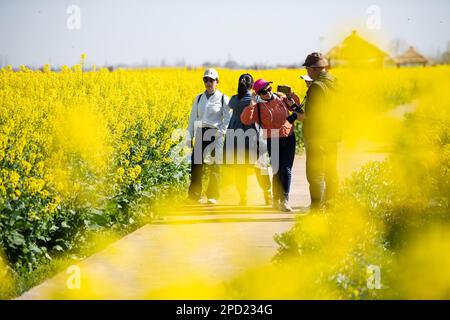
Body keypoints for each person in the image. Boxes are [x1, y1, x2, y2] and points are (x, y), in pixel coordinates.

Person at [240, 79, 303, 212]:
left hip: (289, 137)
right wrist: (251, 104)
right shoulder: (257, 107)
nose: (268, 93)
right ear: (258, 94)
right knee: (277, 171)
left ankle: (284, 200)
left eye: (268, 89)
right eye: (263, 92)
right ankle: (275, 199)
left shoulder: (281, 98)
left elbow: (297, 107)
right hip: (272, 139)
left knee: (286, 169)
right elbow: (245, 120)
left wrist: (291, 94)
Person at [225, 74, 271, 206]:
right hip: (253, 137)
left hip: (235, 137)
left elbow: (231, 106)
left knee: (240, 169)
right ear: (252, 85)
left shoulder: (234, 99)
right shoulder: (256, 99)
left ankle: (243, 198)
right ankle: (267, 194)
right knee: (260, 166)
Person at [187, 69, 231, 204]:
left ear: (217, 82)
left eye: (211, 80)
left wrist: (222, 132)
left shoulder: (223, 98)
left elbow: (228, 118)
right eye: (205, 80)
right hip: (200, 132)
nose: (208, 83)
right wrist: (190, 136)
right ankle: (194, 195)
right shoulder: (199, 98)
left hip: (215, 133)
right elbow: (193, 117)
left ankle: (213, 195)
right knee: (196, 164)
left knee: (215, 165)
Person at [301, 52, 339, 210]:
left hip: (318, 135)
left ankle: (316, 207)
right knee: (331, 170)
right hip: (333, 134)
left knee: (315, 173)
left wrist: (299, 116)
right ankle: (331, 204)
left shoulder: (317, 86)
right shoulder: (335, 82)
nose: (307, 72)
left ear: (314, 68)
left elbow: (312, 115)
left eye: (308, 68)